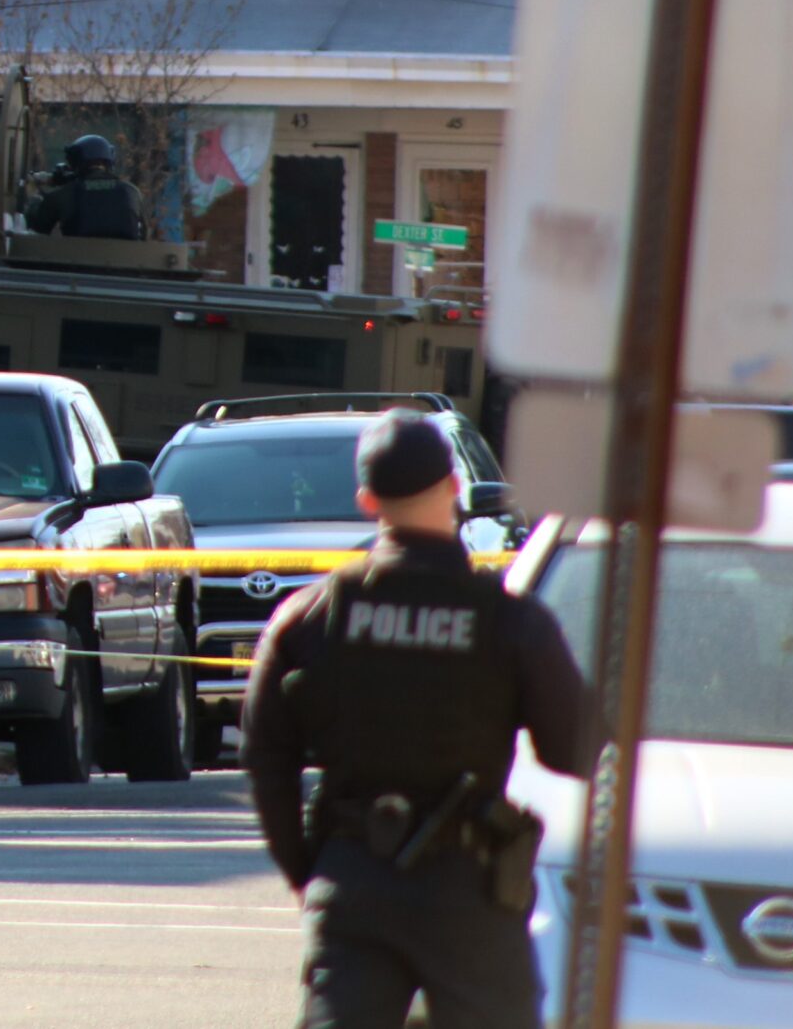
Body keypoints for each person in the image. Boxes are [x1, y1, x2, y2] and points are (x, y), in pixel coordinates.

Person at [241, 411, 592, 1029]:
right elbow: (574, 751)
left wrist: (310, 872)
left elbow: (266, 758)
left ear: (367, 500)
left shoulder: (310, 616)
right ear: (455, 486)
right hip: (470, 892)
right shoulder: (511, 623)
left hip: (353, 882)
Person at [24, 134, 146, 240]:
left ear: (75, 161)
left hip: (74, 258)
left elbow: (36, 232)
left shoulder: (64, 194)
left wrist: (33, 197)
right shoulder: (132, 192)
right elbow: (142, 233)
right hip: (126, 258)